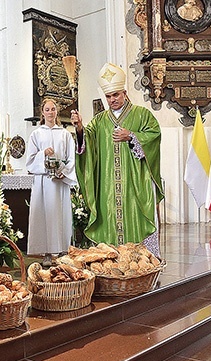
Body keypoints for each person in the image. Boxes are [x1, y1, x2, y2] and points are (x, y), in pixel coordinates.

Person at [70, 63, 164, 257]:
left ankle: (143, 262)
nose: (112, 100)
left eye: (116, 95)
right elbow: (88, 144)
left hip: (135, 183)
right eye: (109, 96)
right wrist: (79, 128)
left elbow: (154, 135)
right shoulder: (99, 120)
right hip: (108, 186)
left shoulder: (142, 114)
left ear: (124, 93)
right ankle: (111, 261)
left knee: (136, 221)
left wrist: (132, 136)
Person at [26, 98, 77, 265]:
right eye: (47, 109)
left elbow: (71, 158)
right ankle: (46, 253)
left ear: (57, 111)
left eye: (53, 109)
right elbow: (30, 160)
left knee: (60, 214)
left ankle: (62, 251)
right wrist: (43, 154)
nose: (50, 112)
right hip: (43, 183)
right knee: (44, 215)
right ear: (42, 112)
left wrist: (64, 172)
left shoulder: (65, 134)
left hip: (59, 182)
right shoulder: (36, 134)